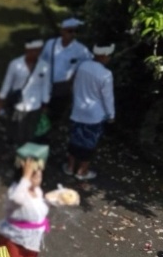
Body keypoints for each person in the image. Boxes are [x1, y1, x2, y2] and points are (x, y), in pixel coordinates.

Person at [0, 157, 49, 257]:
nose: (38, 178)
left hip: (33, 241)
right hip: (14, 241)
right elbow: (17, 199)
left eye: (39, 175)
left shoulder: (37, 191)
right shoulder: (16, 191)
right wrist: (26, 176)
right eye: (34, 175)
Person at [66, 43, 116, 180]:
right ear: (103, 56)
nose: (109, 58)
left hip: (78, 110)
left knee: (74, 140)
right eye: (109, 55)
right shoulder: (106, 74)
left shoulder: (82, 66)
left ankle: (70, 167)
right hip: (94, 115)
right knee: (89, 143)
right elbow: (108, 98)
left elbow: (74, 85)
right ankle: (82, 171)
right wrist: (111, 115)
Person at [0, 38, 51, 145]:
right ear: (27, 50)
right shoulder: (15, 64)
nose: (36, 53)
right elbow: (7, 84)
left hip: (35, 105)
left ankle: (26, 151)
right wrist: (0, 102)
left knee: (31, 132)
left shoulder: (45, 66)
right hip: (18, 105)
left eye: (38, 50)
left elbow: (46, 86)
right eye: (33, 50)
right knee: (16, 131)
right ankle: (15, 148)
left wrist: (45, 104)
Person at [40, 17, 92, 122]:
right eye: (70, 31)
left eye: (75, 31)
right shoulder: (51, 44)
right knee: (40, 113)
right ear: (62, 31)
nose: (73, 34)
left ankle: (53, 128)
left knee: (56, 114)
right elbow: (41, 61)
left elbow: (90, 64)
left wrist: (76, 78)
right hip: (45, 84)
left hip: (63, 87)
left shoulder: (81, 50)